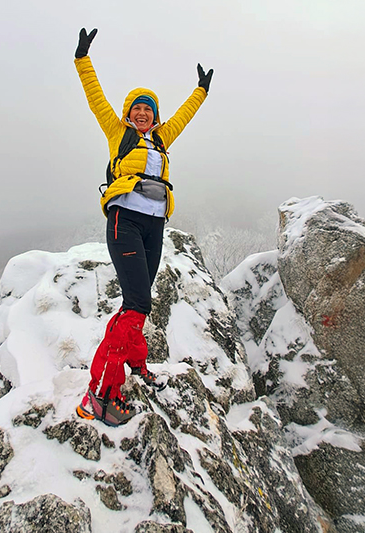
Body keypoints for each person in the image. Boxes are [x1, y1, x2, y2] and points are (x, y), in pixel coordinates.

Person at [73, 28, 212, 427]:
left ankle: (136, 365)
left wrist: (200, 91)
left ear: (154, 115)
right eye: (136, 108)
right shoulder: (120, 134)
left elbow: (183, 116)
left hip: (155, 225)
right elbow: (95, 97)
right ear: (128, 113)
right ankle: (99, 394)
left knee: (140, 300)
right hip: (125, 221)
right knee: (137, 303)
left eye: (148, 109)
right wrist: (82, 58)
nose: (142, 114)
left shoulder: (162, 140)